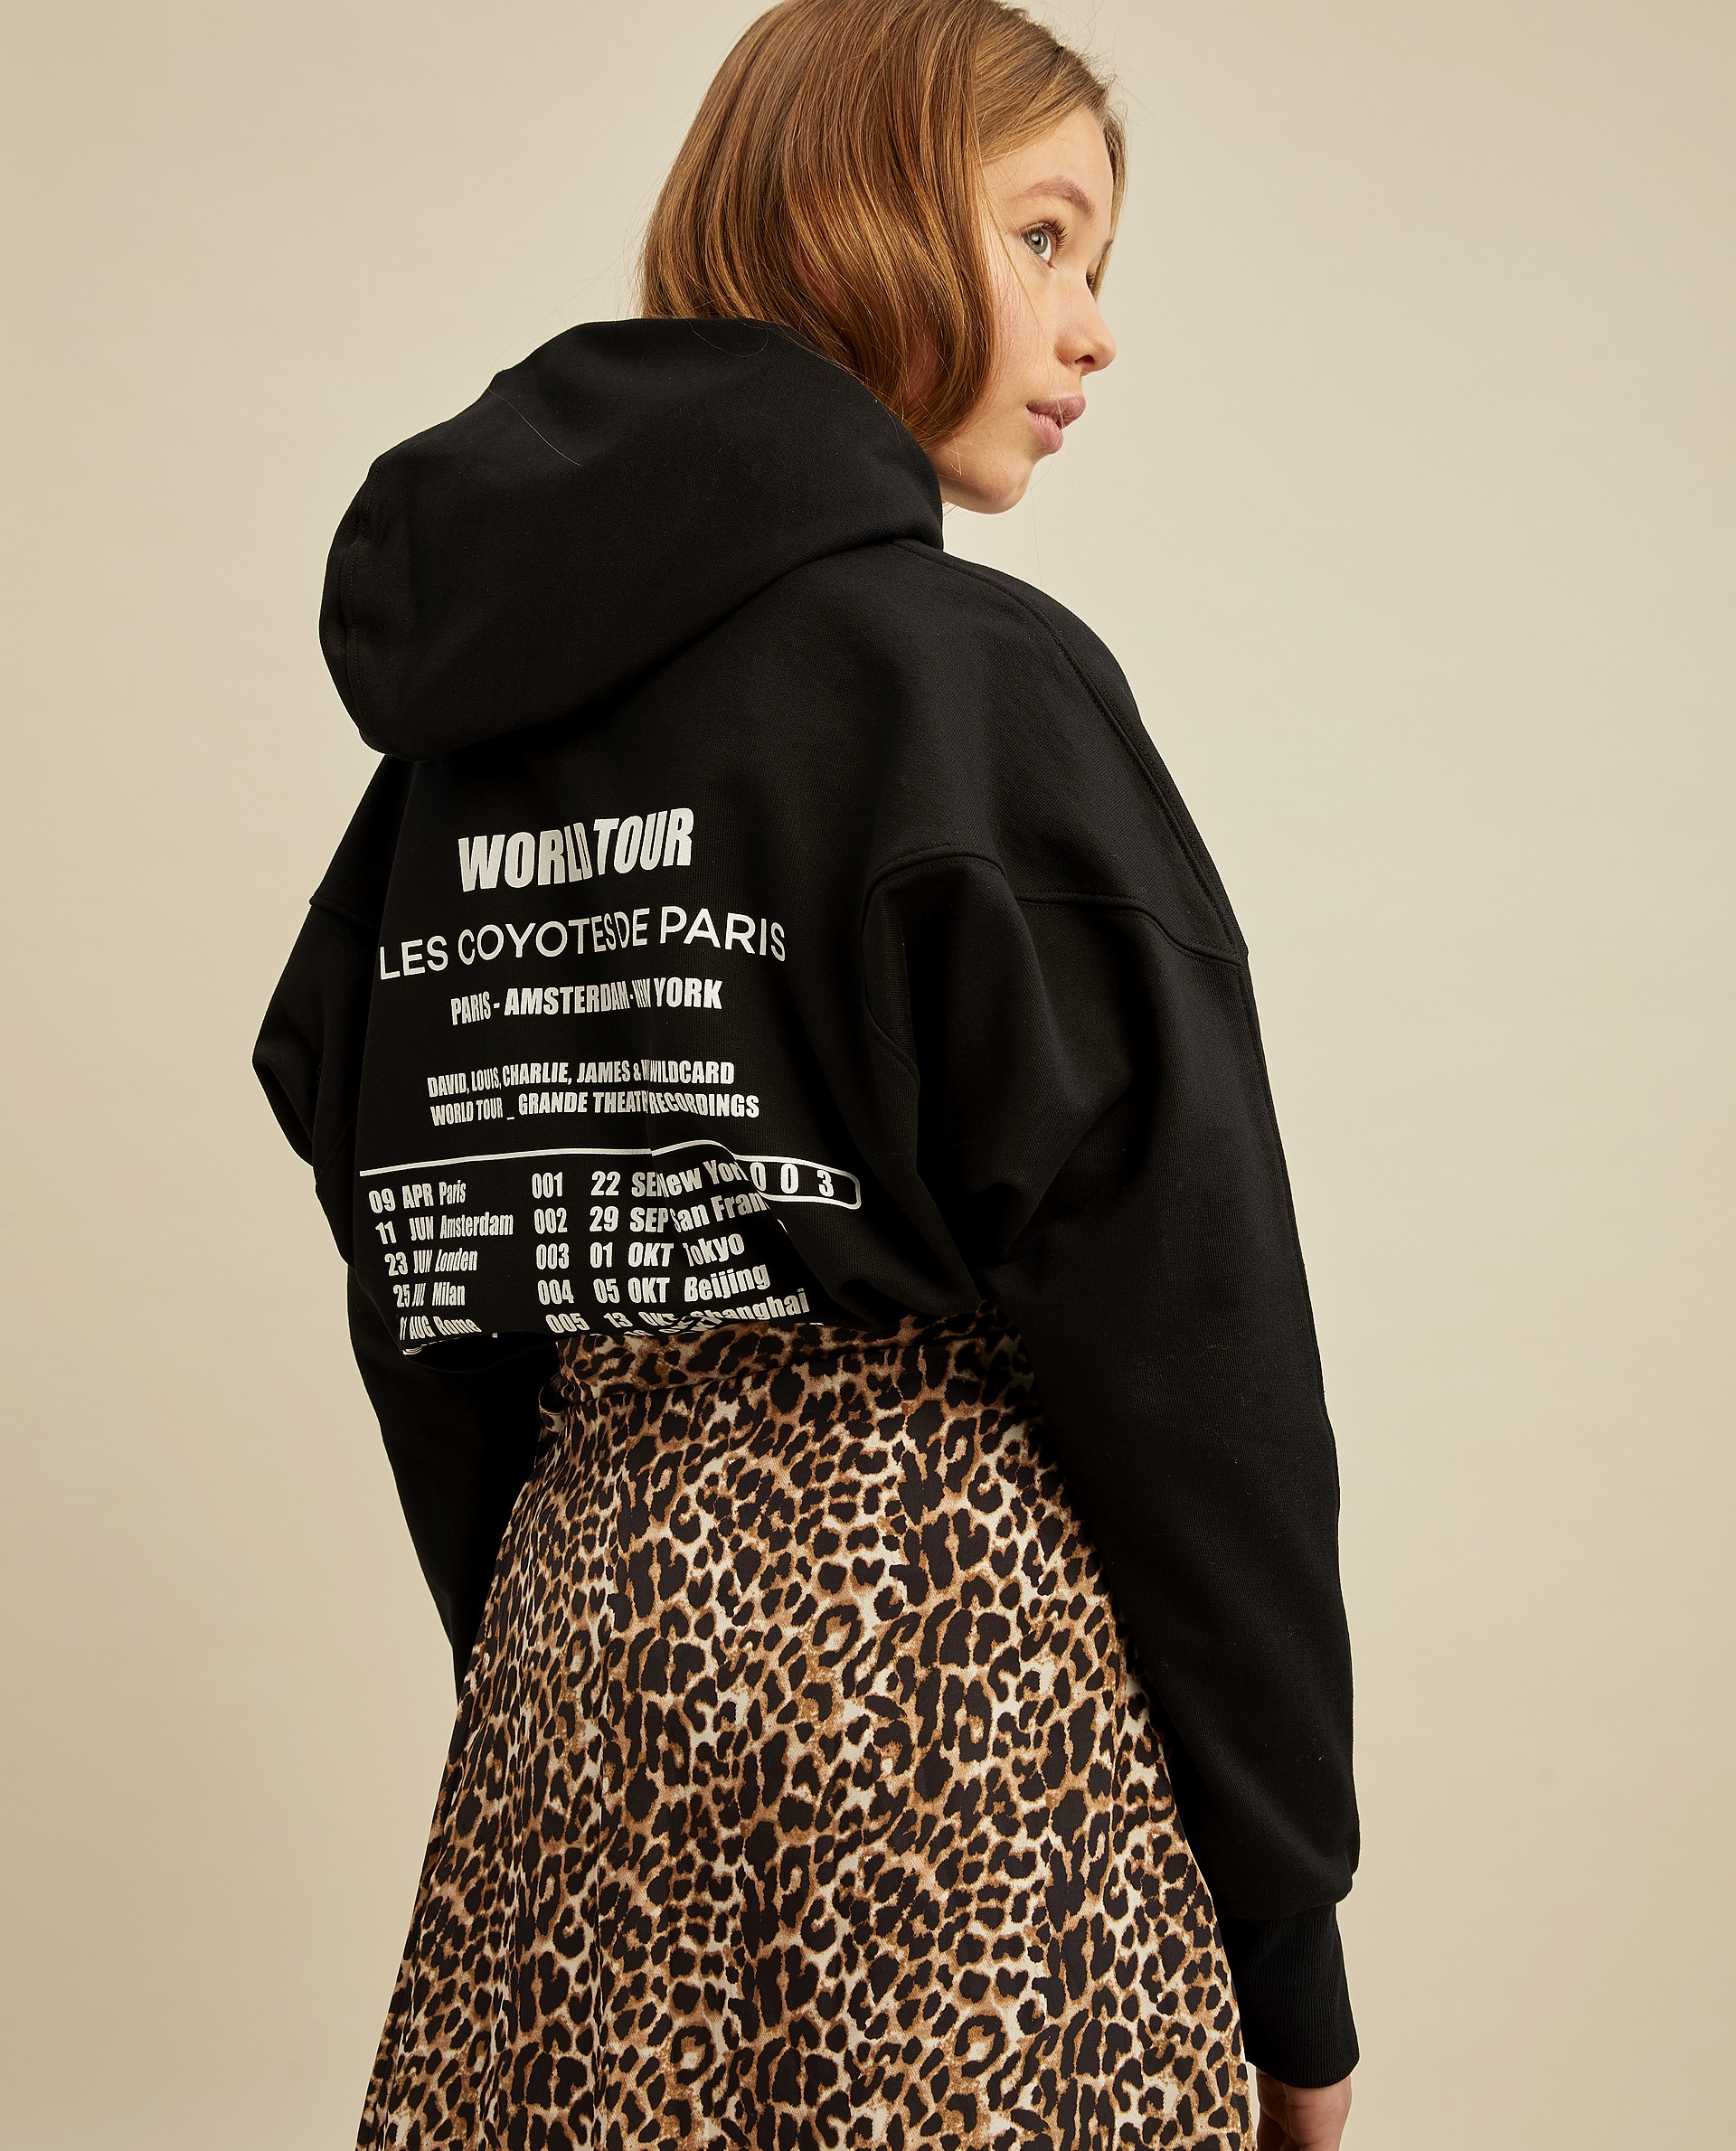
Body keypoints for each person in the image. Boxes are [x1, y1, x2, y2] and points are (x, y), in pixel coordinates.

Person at [255, 2, 1360, 2144]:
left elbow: (420, 1275)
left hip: (569, 1701)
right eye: (1044, 236)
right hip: (959, 1704)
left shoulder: (441, 780)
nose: (1095, 325)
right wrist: (1289, 1956)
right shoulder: (977, 695)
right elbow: (1194, 1362)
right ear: (862, 214)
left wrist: (561, 1636)